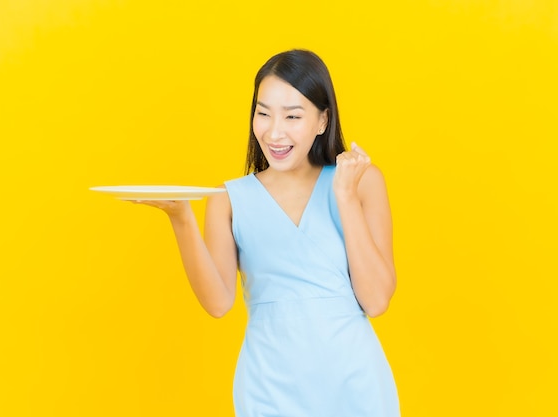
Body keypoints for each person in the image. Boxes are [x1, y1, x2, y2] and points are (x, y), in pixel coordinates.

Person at [136, 49, 399, 417]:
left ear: (323, 120)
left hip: (355, 386)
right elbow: (218, 303)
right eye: (263, 113)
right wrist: (181, 218)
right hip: (268, 388)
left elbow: (376, 301)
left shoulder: (362, 183)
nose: (274, 132)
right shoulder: (228, 198)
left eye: (292, 116)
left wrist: (344, 196)